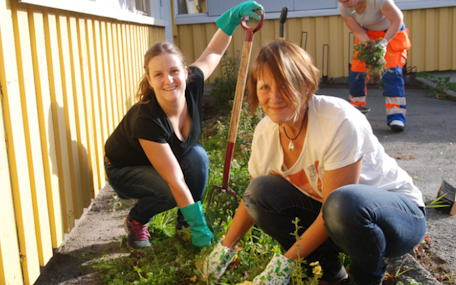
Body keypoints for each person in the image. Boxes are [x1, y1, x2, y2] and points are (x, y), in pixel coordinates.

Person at [204, 40, 426, 285]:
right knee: (259, 193)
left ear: (306, 85)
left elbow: (338, 204)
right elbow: (252, 198)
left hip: (397, 218)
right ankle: (329, 274)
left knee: (343, 203)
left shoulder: (337, 121)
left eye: (284, 85)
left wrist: (286, 261)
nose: (274, 97)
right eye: (265, 87)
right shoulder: (265, 132)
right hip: (337, 218)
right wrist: (225, 248)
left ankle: (366, 279)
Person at [103, 1, 265, 249]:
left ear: (186, 72)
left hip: (160, 162)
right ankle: (137, 220)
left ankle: (184, 223)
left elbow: (212, 52)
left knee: (198, 156)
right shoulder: (148, 120)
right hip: (125, 168)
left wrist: (230, 21)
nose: (168, 80)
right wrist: (203, 226)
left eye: (174, 71)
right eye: (158, 74)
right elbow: (176, 179)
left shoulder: (193, 84)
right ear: (149, 79)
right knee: (168, 190)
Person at [339, 0, 411, 132]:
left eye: (346, 0)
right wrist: (371, 46)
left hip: (392, 33)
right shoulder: (345, 8)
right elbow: (357, 30)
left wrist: (383, 43)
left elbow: (397, 19)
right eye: (340, 1)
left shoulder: (378, 1)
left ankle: (397, 116)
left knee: (391, 73)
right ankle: (356, 113)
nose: (344, 4)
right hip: (367, 35)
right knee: (357, 73)